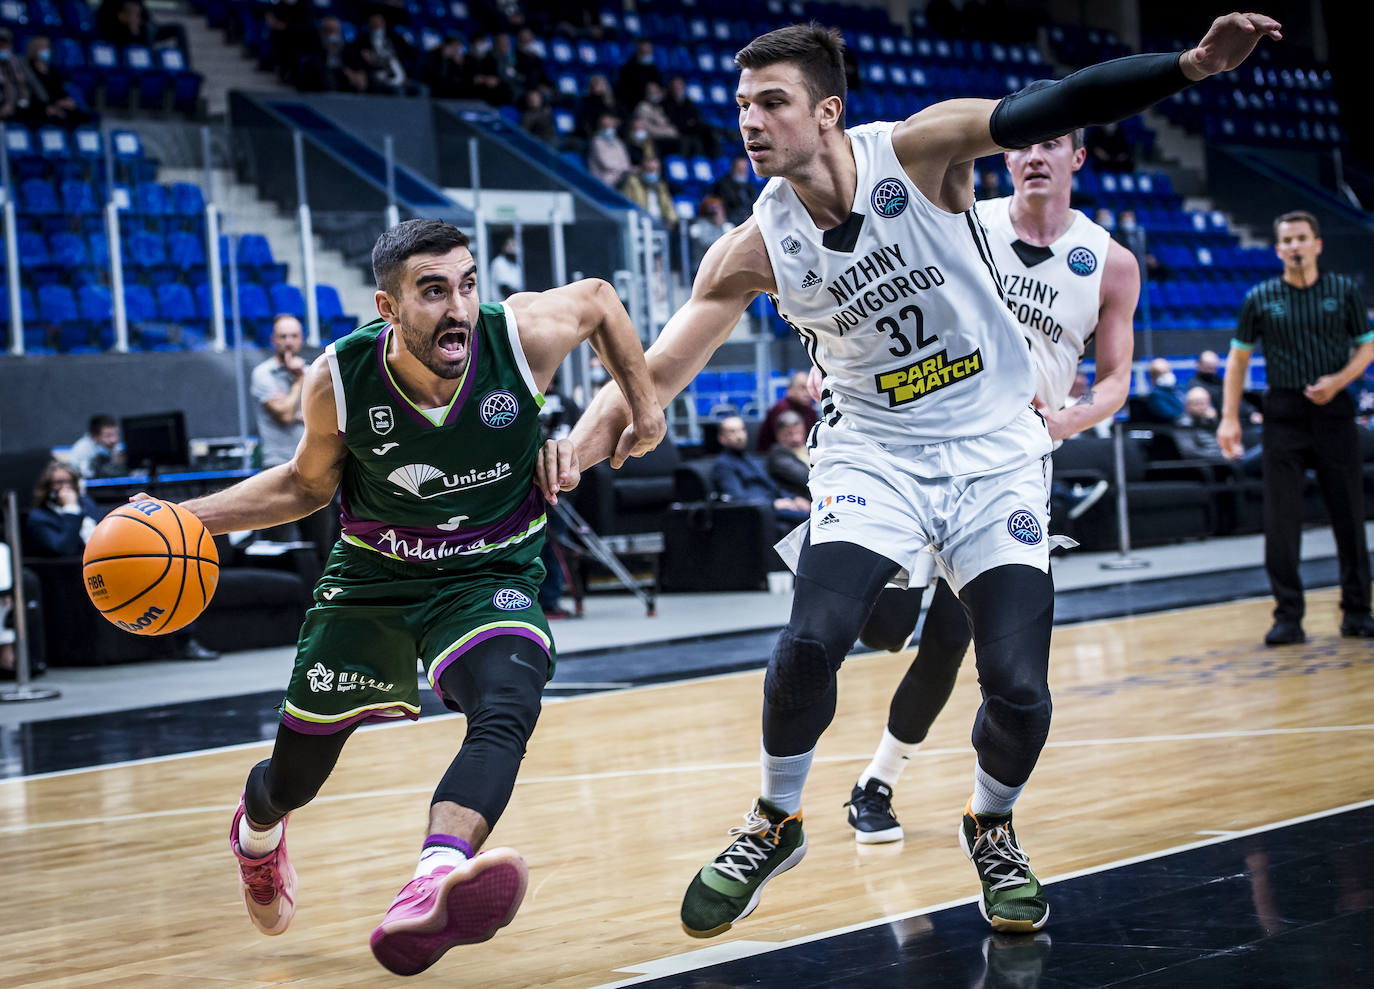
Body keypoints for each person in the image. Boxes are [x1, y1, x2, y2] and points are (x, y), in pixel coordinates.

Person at [549, 15, 1280, 937]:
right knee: (811, 641)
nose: (749, 120)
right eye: (740, 105)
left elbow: (1060, 100)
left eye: (772, 102)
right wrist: (574, 447)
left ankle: (992, 822)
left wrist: (1191, 65)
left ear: (828, 113)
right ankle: (775, 818)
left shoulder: (921, 151)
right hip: (874, 457)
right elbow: (649, 373)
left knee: (1017, 686)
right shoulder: (752, 248)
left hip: (995, 454)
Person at [153, 219, 661, 976]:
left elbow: (598, 300)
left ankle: (430, 880)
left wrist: (643, 405)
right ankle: (256, 832)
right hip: (372, 580)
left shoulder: (521, 337)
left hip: (488, 572)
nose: (457, 307)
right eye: (432, 291)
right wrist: (180, 519)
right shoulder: (338, 378)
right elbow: (303, 486)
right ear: (389, 308)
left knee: (509, 701)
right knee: (295, 778)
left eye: (465, 283)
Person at [844, 127, 1138, 846]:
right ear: (1005, 157)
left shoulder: (1111, 262)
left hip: (1012, 465)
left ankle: (876, 782)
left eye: (1054, 143)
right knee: (886, 628)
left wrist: (1060, 422)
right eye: (1023, 144)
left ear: (1079, 158)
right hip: (929, 445)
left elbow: (1115, 383)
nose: (1036, 155)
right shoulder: (966, 225)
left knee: (950, 640)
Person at [1217, 209, 1374, 645]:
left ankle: (1358, 611)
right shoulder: (1260, 297)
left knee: (1349, 514)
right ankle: (1287, 616)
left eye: (1302, 238)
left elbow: (1367, 346)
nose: (1294, 246)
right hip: (1283, 412)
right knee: (1281, 519)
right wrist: (1229, 418)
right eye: (1286, 240)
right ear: (1278, 249)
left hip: (1335, 410)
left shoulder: (1343, 292)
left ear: (1317, 244)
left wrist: (1339, 380)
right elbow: (1238, 359)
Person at [711, 415, 809, 537]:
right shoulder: (723, 465)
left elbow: (773, 486)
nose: (739, 435)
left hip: (773, 506)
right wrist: (773, 503)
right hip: (760, 511)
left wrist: (793, 498)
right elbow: (737, 500)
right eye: (732, 432)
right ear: (722, 438)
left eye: (742, 430)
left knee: (814, 513)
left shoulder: (751, 459)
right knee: (811, 519)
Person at [755, 370, 819, 452]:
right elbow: (786, 443)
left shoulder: (810, 410)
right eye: (802, 388)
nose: (807, 393)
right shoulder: (780, 408)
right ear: (790, 390)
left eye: (809, 388)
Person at [619, 156, 677, 231]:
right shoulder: (632, 183)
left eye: (656, 170)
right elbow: (626, 205)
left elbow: (669, 207)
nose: (653, 173)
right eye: (650, 170)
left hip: (660, 224)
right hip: (640, 225)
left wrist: (671, 220)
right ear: (642, 170)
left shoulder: (661, 186)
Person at [765, 410, 810, 498]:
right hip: (801, 502)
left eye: (799, 433)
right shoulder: (778, 455)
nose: (795, 439)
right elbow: (805, 477)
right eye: (789, 434)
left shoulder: (810, 448)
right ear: (778, 435)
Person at [66, 414, 125, 479]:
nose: (114, 440)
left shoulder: (114, 446)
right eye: (108, 436)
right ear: (94, 436)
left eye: (116, 434)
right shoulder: (82, 451)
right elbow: (86, 477)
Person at [688, 196, 734, 275]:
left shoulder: (726, 226)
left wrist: (721, 225)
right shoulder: (698, 227)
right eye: (717, 210)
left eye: (721, 209)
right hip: (703, 270)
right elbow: (708, 244)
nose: (720, 213)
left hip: (723, 269)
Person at [587, 113, 632, 189]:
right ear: (600, 127)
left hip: (619, 175)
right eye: (605, 126)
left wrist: (625, 169)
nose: (609, 128)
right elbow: (607, 164)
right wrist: (622, 169)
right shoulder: (596, 141)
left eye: (611, 126)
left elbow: (626, 162)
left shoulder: (617, 141)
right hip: (604, 178)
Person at [711, 155, 758, 226]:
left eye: (744, 169)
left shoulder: (750, 186)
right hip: (730, 221)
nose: (742, 172)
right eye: (739, 169)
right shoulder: (722, 185)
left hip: (748, 220)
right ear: (732, 168)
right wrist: (742, 218)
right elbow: (725, 207)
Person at [1144, 356, 1184, 421]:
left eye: (1167, 371)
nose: (1166, 375)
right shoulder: (1156, 396)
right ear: (1153, 377)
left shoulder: (1181, 387)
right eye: (1160, 373)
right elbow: (1169, 414)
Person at [489, 234, 524, 298]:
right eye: (510, 245)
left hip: (512, 303)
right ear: (504, 247)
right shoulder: (499, 262)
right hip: (500, 304)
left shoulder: (515, 265)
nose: (512, 249)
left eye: (514, 245)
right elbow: (504, 288)